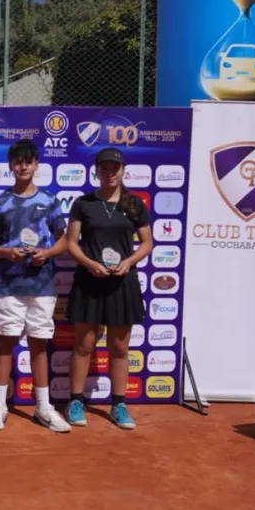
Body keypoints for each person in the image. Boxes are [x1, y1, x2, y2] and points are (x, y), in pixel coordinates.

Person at [0, 139, 72, 432]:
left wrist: (48, 254)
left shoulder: (50, 200)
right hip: (9, 285)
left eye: (28, 161)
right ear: (10, 166)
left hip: (42, 285)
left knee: (38, 345)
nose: (23, 166)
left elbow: (65, 240)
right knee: (5, 343)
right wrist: (6, 253)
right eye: (18, 162)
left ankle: (43, 407)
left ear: (36, 164)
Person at [64, 147, 152, 430]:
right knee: (84, 344)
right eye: (105, 168)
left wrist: (129, 262)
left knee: (119, 346)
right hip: (90, 280)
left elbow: (148, 244)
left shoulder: (135, 204)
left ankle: (119, 404)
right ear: (97, 171)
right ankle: (76, 400)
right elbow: (71, 243)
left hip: (122, 282)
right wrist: (90, 263)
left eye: (115, 167)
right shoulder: (83, 203)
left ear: (123, 170)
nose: (110, 172)